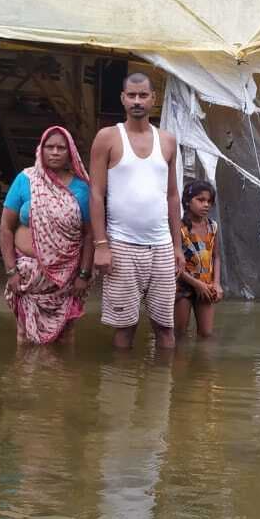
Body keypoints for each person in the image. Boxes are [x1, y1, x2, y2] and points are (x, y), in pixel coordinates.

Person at [89, 72, 185, 349]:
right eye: (131, 95)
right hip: (121, 244)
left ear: (154, 99)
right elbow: (96, 194)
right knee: (124, 328)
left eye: (143, 95)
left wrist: (177, 247)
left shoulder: (167, 141)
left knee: (166, 329)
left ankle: (162, 390)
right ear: (122, 98)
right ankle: (121, 388)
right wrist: (101, 245)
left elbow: (172, 195)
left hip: (161, 246)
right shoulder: (107, 137)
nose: (137, 101)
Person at [0, 126, 94, 344]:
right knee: (23, 335)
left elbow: (89, 235)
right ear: (40, 150)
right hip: (27, 275)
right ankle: (26, 377)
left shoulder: (82, 188)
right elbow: (6, 227)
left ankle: (62, 378)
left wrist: (83, 275)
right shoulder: (25, 180)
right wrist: (11, 271)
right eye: (49, 147)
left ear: (70, 153)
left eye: (61, 148)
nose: (54, 152)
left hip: (67, 278)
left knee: (66, 335)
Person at [175, 179, 223, 338]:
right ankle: (177, 362)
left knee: (206, 334)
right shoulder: (179, 229)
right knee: (179, 334)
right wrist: (196, 284)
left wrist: (216, 283)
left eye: (209, 201)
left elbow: (216, 257)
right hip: (182, 287)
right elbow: (174, 265)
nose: (206, 205)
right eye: (200, 200)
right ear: (188, 201)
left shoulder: (212, 226)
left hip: (206, 286)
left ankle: (203, 363)